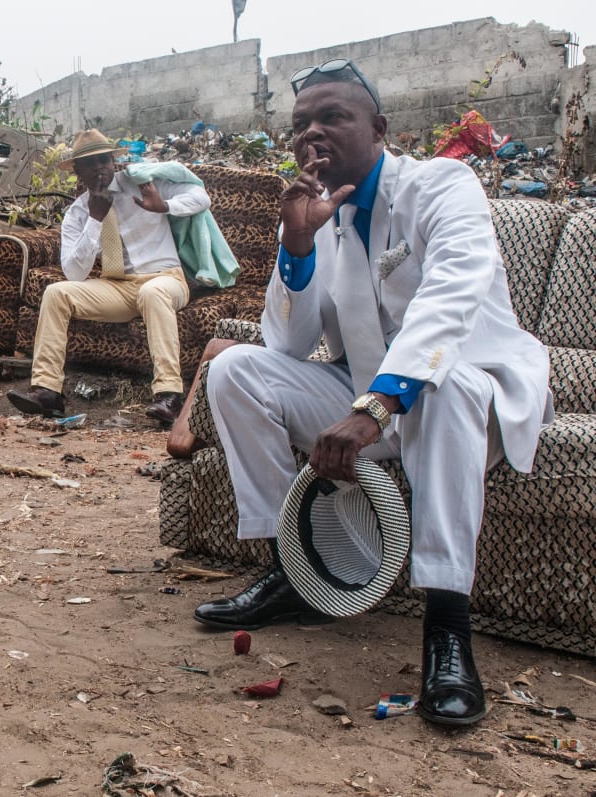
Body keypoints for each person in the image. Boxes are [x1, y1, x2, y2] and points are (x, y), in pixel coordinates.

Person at [190, 60, 552, 727]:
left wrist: (376, 405)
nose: (312, 134)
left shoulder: (442, 184)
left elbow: (450, 301)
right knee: (236, 369)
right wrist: (296, 244)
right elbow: (287, 344)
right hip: (367, 401)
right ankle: (292, 570)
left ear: (380, 128)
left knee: (443, 388)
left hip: (474, 396)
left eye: (333, 118)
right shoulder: (313, 213)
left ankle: (447, 629)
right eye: (300, 125)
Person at [6, 129, 214, 425]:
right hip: (117, 287)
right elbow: (74, 273)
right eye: (90, 164)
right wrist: (95, 219)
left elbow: (200, 196)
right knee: (57, 293)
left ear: (113, 162)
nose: (100, 168)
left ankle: (170, 395)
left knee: (152, 293)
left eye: (104, 160)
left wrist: (164, 206)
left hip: (165, 279)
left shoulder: (141, 184)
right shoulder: (78, 214)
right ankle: (48, 392)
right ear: (78, 172)